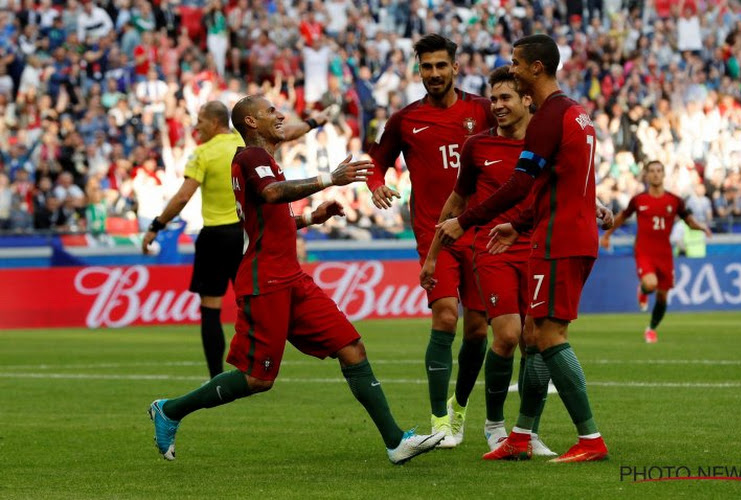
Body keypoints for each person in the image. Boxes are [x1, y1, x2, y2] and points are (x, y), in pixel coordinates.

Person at [148, 95, 444, 465]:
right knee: (257, 379)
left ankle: (396, 441)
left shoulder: (264, 161)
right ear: (252, 123)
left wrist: (310, 219)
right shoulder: (250, 157)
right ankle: (171, 409)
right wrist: (329, 179)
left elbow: (268, 218)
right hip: (265, 280)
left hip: (291, 277)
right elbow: (271, 194)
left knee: (351, 347)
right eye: (271, 111)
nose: (280, 115)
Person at [434, 34, 610, 462]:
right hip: (565, 230)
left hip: (558, 239)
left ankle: (590, 439)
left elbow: (520, 183)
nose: (510, 68)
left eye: (515, 63)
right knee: (532, 334)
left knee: (548, 337)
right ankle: (520, 436)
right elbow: (560, 186)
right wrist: (518, 224)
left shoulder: (549, 117)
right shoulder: (577, 114)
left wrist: (466, 219)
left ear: (536, 68)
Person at [142, 101, 335, 379]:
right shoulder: (244, 144)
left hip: (216, 236)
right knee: (251, 299)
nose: (196, 127)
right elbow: (290, 132)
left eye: (200, 121)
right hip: (249, 234)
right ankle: (256, 363)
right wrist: (315, 122)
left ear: (215, 122)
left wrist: (156, 225)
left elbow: (184, 196)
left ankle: (216, 375)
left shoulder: (203, 153)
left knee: (211, 308)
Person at [419, 66, 556, 456]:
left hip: (537, 248)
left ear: (527, 99)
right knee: (509, 336)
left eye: (505, 98)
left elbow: (561, 183)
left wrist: (595, 203)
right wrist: (432, 256)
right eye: (493, 98)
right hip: (492, 249)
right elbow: (457, 203)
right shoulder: (477, 146)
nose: (495, 106)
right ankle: (494, 424)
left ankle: (526, 432)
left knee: (537, 342)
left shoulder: (544, 142)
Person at [367, 33, 495, 447]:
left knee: (478, 330)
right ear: (418, 69)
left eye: (442, 65)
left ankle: (459, 407)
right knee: (444, 316)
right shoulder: (405, 119)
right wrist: (375, 184)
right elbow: (377, 160)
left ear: (456, 67)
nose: (435, 73)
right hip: (433, 232)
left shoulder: (484, 110)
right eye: (427, 66)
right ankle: (440, 420)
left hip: (480, 229)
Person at [601, 160, 711, 343]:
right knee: (651, 284)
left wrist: (702, 227)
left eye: (659, 170)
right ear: (646, 175)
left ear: (664, 174)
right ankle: (643, 290)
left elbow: (689, 220)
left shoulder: (675, 201)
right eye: (651, 171)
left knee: (663, 296)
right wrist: (607, 235)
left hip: (665, 253)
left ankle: (651, 328)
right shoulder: (639, 200)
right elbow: (621, 217)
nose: (655, 174)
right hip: (644, 250)